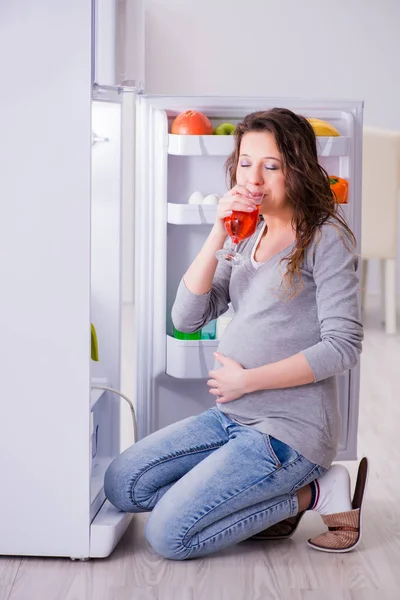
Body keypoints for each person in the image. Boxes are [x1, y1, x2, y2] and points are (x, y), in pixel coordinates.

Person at [104, 108, 367, 560]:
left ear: (299, 167)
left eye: (272, 165)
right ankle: (259, 496)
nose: (255, 178)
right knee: (122, 482)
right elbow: (188, 317)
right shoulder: (247, 233)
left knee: (169, 537)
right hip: (230, 417)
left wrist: (249, 381)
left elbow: (343, 346)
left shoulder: (326, 240)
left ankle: (316, 493)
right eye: (246, 163)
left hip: (289, 432)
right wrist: (215, 234)